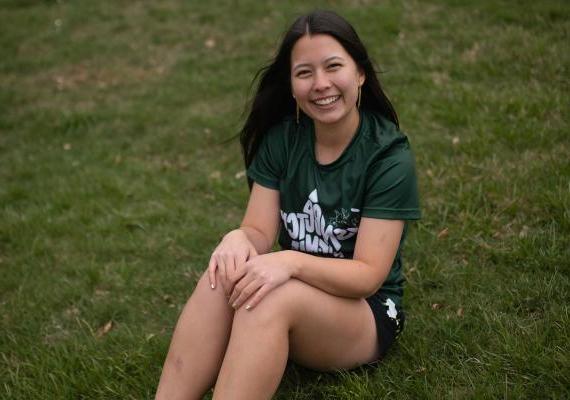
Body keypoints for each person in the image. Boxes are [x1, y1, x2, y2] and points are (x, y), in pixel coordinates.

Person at [155, 9, 420, 400]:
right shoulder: (282, 140)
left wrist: (288, 262)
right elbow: (259, 232)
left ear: (360, 73)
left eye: (334, 66)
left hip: (364, 312)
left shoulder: (388, 157)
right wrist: (237, 239)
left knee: (270, 299)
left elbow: (367, 275)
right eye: (305, 72)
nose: (321, 84)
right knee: (222, 274)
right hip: (300, 298)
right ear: (292, 84)